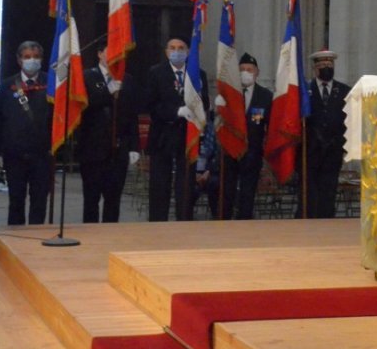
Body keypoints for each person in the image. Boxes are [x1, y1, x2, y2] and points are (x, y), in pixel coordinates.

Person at [139, 38, 206, 221]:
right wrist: (176, 111)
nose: (177, 51)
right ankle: (158, 223)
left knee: (185, 185)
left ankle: (184, 220)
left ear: (188, 51)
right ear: (167, 52)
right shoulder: (156, 73)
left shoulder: (198, 74)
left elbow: (203, 103)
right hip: (163, 135)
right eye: (173, 48)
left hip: (187, 136)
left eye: (181, 48)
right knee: (160, 185)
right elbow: (150, 104)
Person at [0, 41, 53, 226]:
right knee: (16, 201)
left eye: (35, 57)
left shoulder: (52, 84)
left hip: (42, 155)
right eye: (26, 57)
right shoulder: (7, 86)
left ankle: (35, 243)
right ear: (19, 60)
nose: (31, 60)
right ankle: (15, 242)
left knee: (39, 201)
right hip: (14, 155)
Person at [76, 42, 141, 222]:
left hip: (118, 149)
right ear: (100, 54)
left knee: (113, 199)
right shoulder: (86, 77)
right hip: (92, 149)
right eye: (110, 52)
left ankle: (110, 235)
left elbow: (131, 115)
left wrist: (134, 146)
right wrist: (107, 93)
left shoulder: (127, 79)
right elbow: (84, 107)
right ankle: (90, 235)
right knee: (91, 198)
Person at [217, 52, 271, 220]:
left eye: (249, 69)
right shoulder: (228, 93)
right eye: (242, 70)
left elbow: (269, 125)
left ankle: (244, 227)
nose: (246, 72)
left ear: (257, 72)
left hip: (252, 152)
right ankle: (224, 225)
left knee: (248, 194)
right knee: (227, 192)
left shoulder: (266, 96)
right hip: (230, 151)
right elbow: (219, 124)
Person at [302, 50, 351, 219]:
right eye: (322, 66)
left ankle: (327, 226)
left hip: (333, 150)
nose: (326, 68)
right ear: (315, 68)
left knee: (329, 192)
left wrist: (344, 146)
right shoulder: (305, 91)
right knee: (310, 194)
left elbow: (349, 121)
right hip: (310, 152)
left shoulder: (345, 91)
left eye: (329, 65)